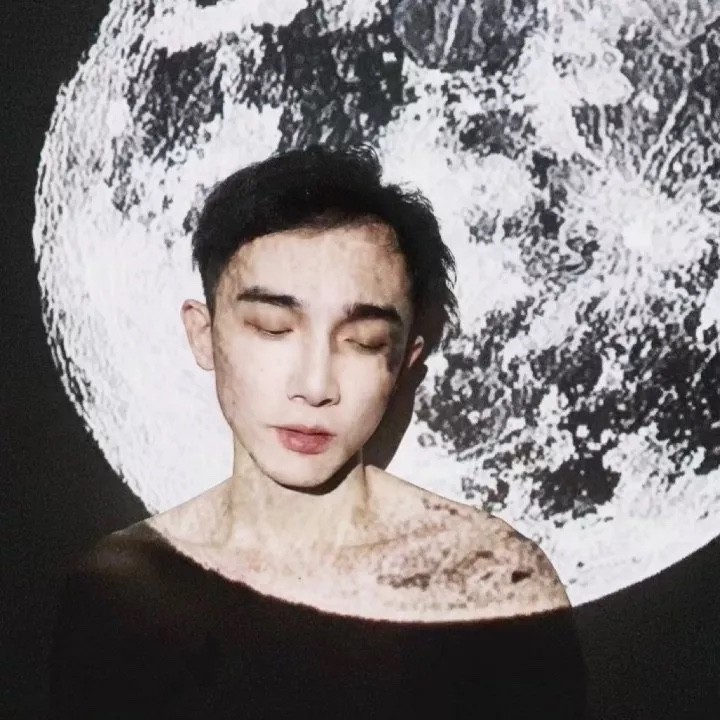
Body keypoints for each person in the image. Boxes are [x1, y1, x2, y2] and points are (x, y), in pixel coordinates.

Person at [48, 145, 587, 718]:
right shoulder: (123, 588)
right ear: (204, 334)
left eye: (364, 342)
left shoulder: (489, 580)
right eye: (272, 328)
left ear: (406, 360)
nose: (315, 385)